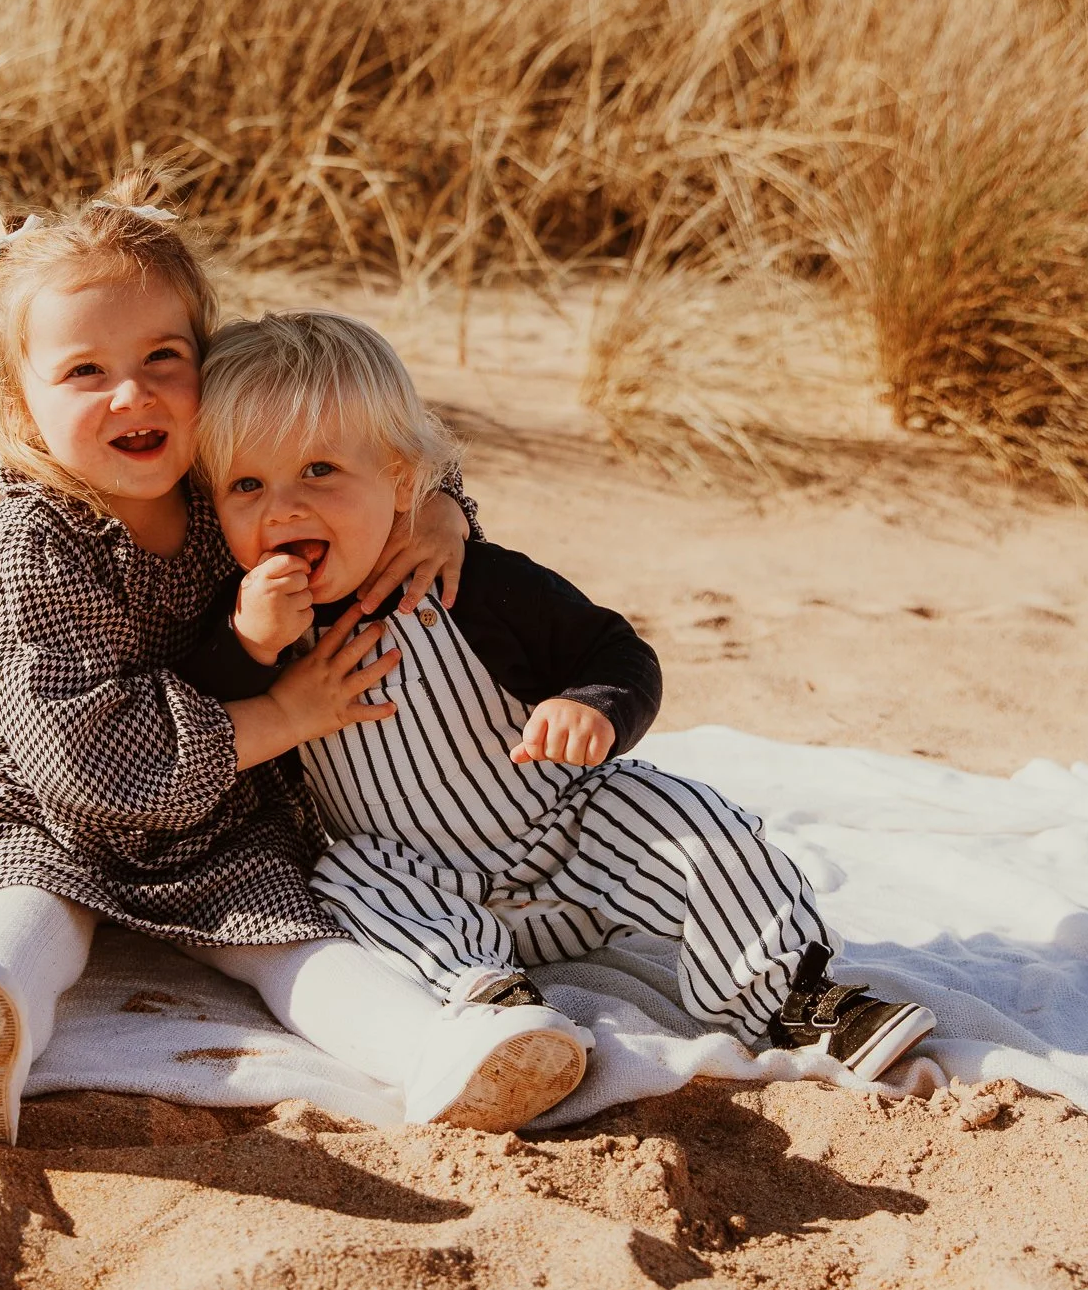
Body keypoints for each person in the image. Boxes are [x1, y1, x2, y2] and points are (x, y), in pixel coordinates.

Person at [0, 172, 592, 1143]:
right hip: (37, 794)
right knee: (31, 901)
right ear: (21, 409)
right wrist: (282, 716)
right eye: (84, 372)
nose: (135, 391)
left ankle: (436, 1053)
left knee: (283, 927)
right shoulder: (31, 550)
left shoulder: (224, 474)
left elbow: (376, 447)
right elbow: (83, 768)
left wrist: (439, 512)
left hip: (212, 808)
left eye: (165, 355)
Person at [181, 308, 938, 1086]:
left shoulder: (473, 582)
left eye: (319, 473)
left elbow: (616, 652)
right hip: (427, 881)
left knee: (695, 819)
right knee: (345, 882)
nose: (283, 509)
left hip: (571, 837)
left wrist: (593, 706)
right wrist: (249, 643)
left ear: (402, 478)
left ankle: (796, 999)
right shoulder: (250, 619)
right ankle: (492, 1004)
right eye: (248, 485)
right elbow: (208, 717)